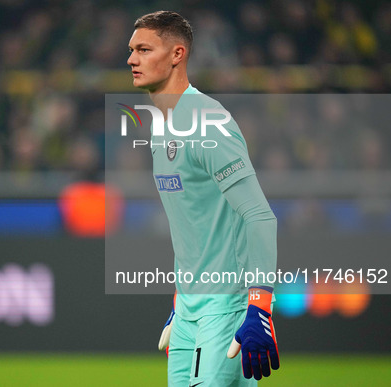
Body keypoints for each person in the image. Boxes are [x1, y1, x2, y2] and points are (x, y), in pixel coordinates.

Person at [126, 11, 279, 386]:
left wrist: (259, 306)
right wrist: (180, 302)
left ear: (178, 54)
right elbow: (195, 225)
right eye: (131, 50)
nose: (131, 59)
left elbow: (259, 216)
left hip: (225, 306)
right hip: (189, 309)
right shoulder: (161, 128)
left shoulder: (209, 122)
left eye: (144, 49)